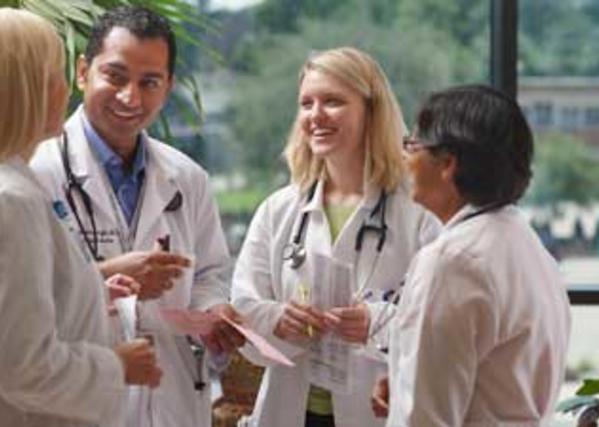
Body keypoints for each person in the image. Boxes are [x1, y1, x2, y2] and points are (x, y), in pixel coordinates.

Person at [29, 6, 245, 427]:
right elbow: (21, 303)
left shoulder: (188, 178)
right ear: (82, 72)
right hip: (77, 404)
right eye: (115, 76)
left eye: (149, 83)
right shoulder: (36, 173)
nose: (131, 97)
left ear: (168, 88)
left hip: (174, 402)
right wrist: (108, 277)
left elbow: (209, 275)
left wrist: (216, 312)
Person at [231, 47, 441, 427]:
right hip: (289, 410)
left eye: (333, 102)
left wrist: (375, 324)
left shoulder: (418, 211)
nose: (316, 115)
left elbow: (440, 321)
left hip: (376, 413)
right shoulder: (279, 210)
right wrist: (279, 320)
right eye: (306, 103)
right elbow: (242, 311)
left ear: (371, 111)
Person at [0, 8, 162, 427]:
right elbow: (23, 366)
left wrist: (90, 288)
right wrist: (117, 366)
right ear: (24, 89)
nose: (64, 90)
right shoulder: (13, 202)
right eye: (53, 75)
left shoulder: (17, 188)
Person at [373, 85, 571, 426]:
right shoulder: (526, 244)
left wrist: (411, 391)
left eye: (413, 145)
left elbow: (426, 420)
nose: (405, 157)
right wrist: (405, 376)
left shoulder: (453, 261)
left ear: (448, 164)